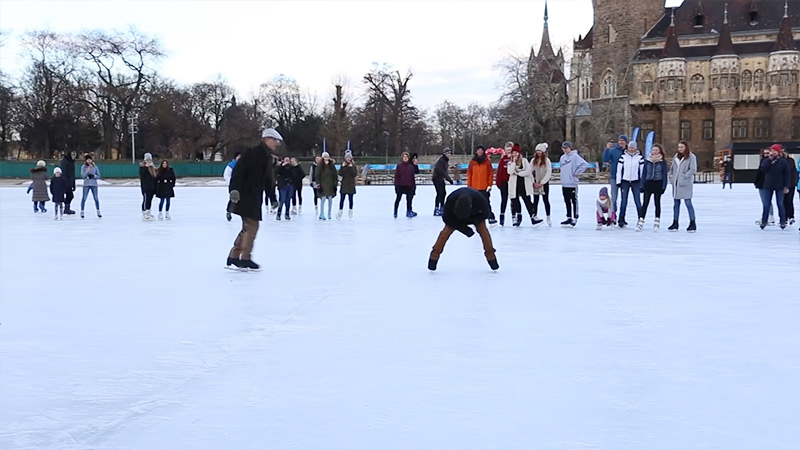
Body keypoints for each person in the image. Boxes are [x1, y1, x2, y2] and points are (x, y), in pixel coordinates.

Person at [226, 128, 282, 271]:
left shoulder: (267, 156)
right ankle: (245, 258)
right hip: (244, 195)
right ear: (267, 139)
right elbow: (237, 173)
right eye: (275, 141)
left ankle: (234, 256)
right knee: (252, 226)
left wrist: (272, 197)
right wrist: (234, 190)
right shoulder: (252, 153)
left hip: (255, 196)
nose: (277, 144)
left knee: (247, 227)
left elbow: (267, 180)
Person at [427, 187, 498, 272]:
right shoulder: (451, 200)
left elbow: (486, 214)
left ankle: (491, 257)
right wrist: (465, 229)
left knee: (483, 230)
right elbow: (447, 219)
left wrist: (472, 223)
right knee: (446, 232)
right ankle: (434, 257)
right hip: (455, 217)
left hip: (475, 215)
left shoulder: (480, 200)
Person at [758, 144, 791, 229]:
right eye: (771, 151)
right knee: (766, 204)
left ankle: (782, 221)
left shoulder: (783, 162)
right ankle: (764, 221)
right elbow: (762, 170)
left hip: (780, 186)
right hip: (767, 185)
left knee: (780, 203)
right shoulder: (766, 160)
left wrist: (786, 186)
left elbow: (787, 174)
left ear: (778, 152)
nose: (772, 152)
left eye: (774, 151)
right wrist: (769, 161)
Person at [667, 140, 698, 232]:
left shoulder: (691, 157)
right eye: (679, 147)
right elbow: (672, 168)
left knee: (688, 203)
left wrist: (685, 177)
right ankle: (675, 222)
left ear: (686, 147)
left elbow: (693, 169)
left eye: (682, 147)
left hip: (685, 184)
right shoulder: (676, 156)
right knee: (676, 204)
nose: (680, 149)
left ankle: (692, 222)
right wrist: (671, 177)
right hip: (676, 184)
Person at [507, 144, 539, 226]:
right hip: (514, 185)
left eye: (516, 152)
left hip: (524, 184)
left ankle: (533, 217)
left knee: (527, 200)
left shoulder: (524, 161)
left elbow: (528, 171)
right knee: (515, 202)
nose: (515, 154)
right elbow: (510, 172)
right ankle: (518, 217)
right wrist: (514, 162)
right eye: (513, 152)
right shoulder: (510, 162)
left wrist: (518, 173)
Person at [638, 143, 668, 231]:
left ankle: (657, 221)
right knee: (645, 203)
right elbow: (644, 173)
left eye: (656, 150)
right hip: (648, 183)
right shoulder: (647, 161)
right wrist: (641, 184)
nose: (654, 152)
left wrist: (663, 186)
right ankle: (641, 220)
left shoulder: (662, 162)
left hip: (658, 183)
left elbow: (664, 175)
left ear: (660, 151)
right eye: (653, 150)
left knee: (657, 203)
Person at [559, 141, 588, 227]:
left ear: (570, 148)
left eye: (566, 148)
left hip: (572, 183)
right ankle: (568, 217)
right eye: (563, 148)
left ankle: (575, 217)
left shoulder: (575, 156)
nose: (565, 150)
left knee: (573, 201)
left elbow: (584, 164)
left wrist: (577, 173)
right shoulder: (562, 158)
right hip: (565, 183)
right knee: (567, 201)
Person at [616, 140, 644, 228]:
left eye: (633, 147)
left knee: (637, 201)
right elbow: (619, 170)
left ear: (636, 148)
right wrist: (618, 181)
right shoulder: (623, 157)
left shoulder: (640, 158)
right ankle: (621, 219)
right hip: (625, 181)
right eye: (630, 147)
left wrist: (642, 183)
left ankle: (640, 218)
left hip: (636, 181)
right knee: (624, 201)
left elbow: (642, 171)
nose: (631, 149)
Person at [466, 145, 496, 225]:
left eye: (481, 150)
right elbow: (469, 174)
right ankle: (474, 218)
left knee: (486, 202)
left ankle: (491, 217)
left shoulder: (487, 162)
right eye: (478, 150)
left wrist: (489, 185)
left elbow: (490, 174)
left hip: (484, 186)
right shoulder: (472, 162)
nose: (480, 151)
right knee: (474, 203)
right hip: (474, 187)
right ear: (476, 151)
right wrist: (469, 185)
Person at [603, 135, 627, 213]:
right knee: (614, 198)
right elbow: (605, 159)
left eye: (623, 140)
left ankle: (622, 217)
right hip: (614, 176)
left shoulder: (628, 151)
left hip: (625, 177)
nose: (621, 142)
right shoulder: (613, 150)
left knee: (624, 198)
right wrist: (607, 149)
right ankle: (613, 215)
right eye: (620, 140)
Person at [531, 143, 553, 226]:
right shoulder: (533, 161)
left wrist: (542, 182)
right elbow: (530, 171)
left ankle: (548, 216)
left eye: (540, 151)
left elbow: (548, 172)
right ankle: (535, 216)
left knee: (546, 200)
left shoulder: (547, 161)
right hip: (535, 183)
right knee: (535, 201)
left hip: (544, 183)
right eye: (537, 151)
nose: (538, 153)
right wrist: (534, 182)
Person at [753, 148, 775, 226]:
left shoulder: (770, 162)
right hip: (761, 183)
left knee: (767, 201)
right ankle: (768, 216)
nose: (766, 155)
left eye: (767, 153)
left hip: (766, 184)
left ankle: (770, 216)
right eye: (764, 153)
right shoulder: (763, 161)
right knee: (765, 201)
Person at [394, 152, 417, 218]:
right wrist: (396, 186)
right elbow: (397, 176)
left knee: (409, 200)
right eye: (404, 157)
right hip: (400, 185)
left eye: (406, 157)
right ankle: (395, 212)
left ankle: (409, 211)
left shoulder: (411, 167)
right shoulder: (399, 166)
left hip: (409, 186)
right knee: (398, 199)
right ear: (402, 158)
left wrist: (414, 186)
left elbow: (412, 177)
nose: (405, 158)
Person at [495, 142, 513, 225]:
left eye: (510, 149)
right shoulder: (502, 160)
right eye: (507, 150)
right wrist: (498, 183)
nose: (508, 151)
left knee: (513, 200)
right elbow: (499, 172)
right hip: (503, 183)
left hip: (512, 182)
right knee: (504, 200)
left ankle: (514, 216)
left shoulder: (515, 159)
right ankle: (502, 216)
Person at [432, 147, 454, 216]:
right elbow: (442, 171)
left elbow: (444, 171)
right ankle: (437, 208)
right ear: (444, 154)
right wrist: (449, 179)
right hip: (437, 178)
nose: (449, 155)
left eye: (449, 153)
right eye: (447, 153)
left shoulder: (445, 160)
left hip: (440, 178)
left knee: (443, 193)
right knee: (440, 193)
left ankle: (441, 207)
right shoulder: (441, 160)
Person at [316, 152, 338, 220]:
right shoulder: (320, 166)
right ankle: (322, 213)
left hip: (330, 185)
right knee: (323, 199)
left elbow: (335, 175)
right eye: (325, 156)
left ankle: (329, 213)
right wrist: (318, 183)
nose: (326, 158)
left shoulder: (332, 165)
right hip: (323, 184)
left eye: (327, 156)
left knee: (330, 199)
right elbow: (317, 175)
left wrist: (335, 183)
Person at [337, 150, 357, 220]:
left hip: (351, 185)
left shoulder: (353, 165)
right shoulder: (343, 165)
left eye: (349, 157)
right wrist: (343, 167)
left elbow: (354, 174)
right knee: (342, 199)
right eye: (347, 157)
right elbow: (340, 173)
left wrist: (351, 167)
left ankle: (350, 211)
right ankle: (340, 212)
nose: (348, 159)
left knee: (350, 199)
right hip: (344, 184)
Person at [139, 153, 158, 221]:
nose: (149, 161)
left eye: (150, 160)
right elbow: (142, 175)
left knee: (150, 200)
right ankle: (144, 212)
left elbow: (155, 177)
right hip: (145, 187)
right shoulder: (142, 167)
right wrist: (146, 167)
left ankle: (148, 211)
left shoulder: (153, 168)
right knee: (146, 199)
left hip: (152, 188)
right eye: (147, 160)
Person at [275, 155, 294, 221]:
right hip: (282, 186)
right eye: (286, 160)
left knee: (288, 200)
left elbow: (296, 175)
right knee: (282, 200)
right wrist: (282, 166)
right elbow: (276, 172)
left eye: (288, 160)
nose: (287, 161)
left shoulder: (292, 168)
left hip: (290, 185)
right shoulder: (280, 167)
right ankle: (279, 213)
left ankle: (287, 214)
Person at [224, 152, 241, 221]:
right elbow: (226, 175)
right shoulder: (231, 165)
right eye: (239, 156)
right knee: (233, 199)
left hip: (242, 186)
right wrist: (231, 182)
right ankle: (229, 211)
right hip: (233, 185)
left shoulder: (244, 165)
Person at [782, 149, 797, 225]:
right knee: (783, 201)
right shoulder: (779, 160)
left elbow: (790, 170)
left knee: (789, 200)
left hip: (791, 184)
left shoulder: (790, 160)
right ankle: (784, 217)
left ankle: (790, 216)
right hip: (781, 185)